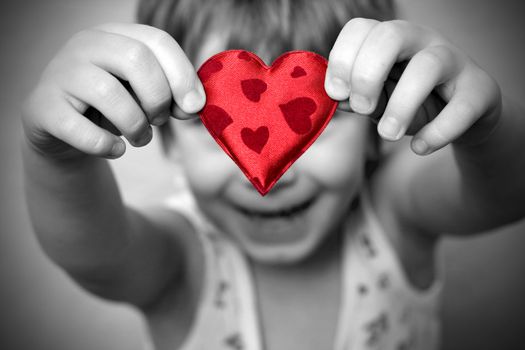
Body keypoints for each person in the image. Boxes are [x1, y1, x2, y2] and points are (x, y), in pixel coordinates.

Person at [20, 0, 525, 349]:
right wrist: (59, 159)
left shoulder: (394, 214)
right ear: (169, 143)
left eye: (318, 120)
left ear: (375, 132)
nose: (266, 173)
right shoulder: (180, 259)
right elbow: (95, 255)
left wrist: (484, 128)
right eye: (207, 124)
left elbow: (506, 192)